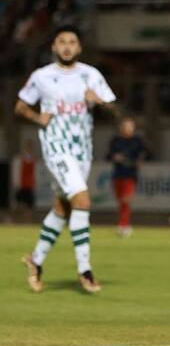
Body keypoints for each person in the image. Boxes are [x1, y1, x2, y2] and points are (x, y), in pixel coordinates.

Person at [15, 25, 117, 294]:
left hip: (82, 149)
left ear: (79, 47)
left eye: (72, 42)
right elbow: (21, 106)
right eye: (62, 41)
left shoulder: (90, 75)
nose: (67, 46)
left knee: (64, 207)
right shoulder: (42, 76)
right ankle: (85, 270)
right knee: (82, 199)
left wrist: (100, 102)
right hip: (55, 146)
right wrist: (38, 118)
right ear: (54, 47)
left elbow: (114, 108)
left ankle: (36, 260)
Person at [107, 116, 149, 237]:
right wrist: (115, 157)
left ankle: (123, 225)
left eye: (129, 126)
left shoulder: (137, 140)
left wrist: (140, 160)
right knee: (121, 201)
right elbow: (108, 155)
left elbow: (147, 152)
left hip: (130, 174)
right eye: (125, 126)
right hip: (118, 173)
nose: (127, 128)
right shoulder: (116, 140)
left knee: (126, 199)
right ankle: (124, 223)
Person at [14, 139, 37, 224]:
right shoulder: (21, 158)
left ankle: (28, 219)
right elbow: (17, 171)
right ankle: (18, 218)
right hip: (22, 183)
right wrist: (17, 182)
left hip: (29, 184)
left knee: (30, 203)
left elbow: (34, 172)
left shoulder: (33, 158)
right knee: (20, 203)